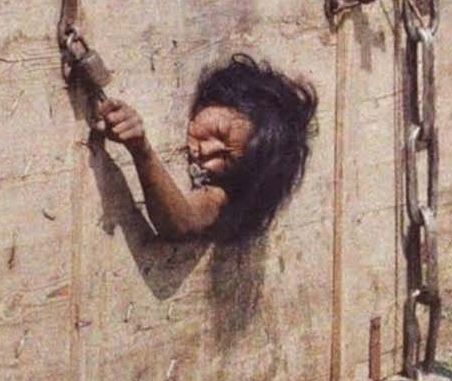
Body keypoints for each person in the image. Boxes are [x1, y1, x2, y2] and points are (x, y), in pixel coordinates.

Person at [95, 54, 317, 241]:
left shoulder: (224, 191)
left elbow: (182, 222)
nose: (207, 153)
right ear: (216, 99)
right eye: (219, 132)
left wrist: (141, 150)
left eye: (226, 160)